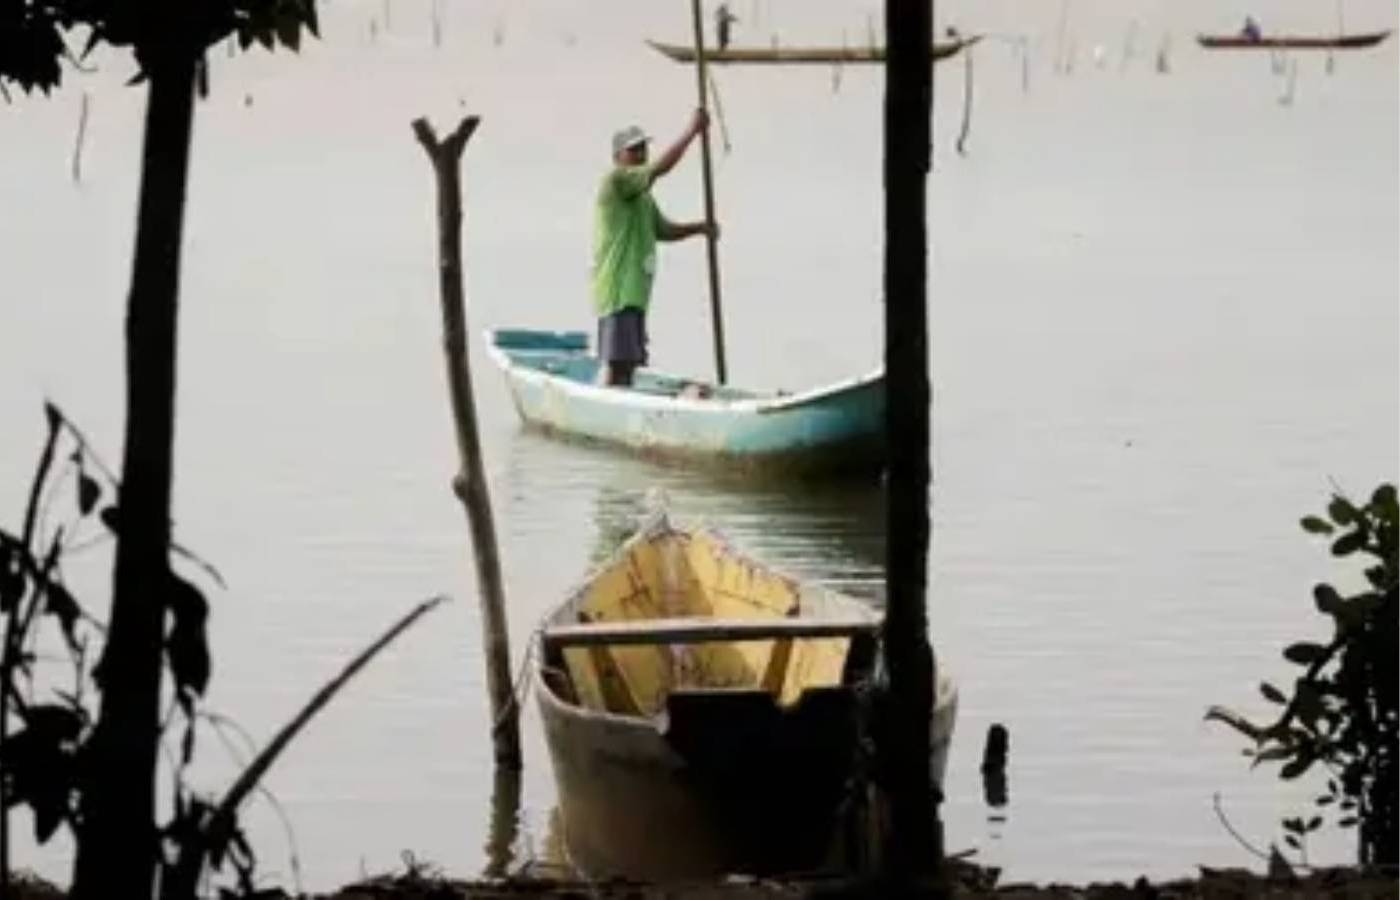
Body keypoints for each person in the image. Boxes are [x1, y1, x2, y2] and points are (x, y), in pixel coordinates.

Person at [592, 110, 717, 388]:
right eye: (633, 150)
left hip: (636, 294)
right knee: (618, 363)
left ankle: (626, 404)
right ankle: (612, 407)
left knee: (632, 364)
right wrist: (691, 132)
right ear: (618, 157)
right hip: (618, 293)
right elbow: (660, 168)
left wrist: (700, 228)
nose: (640, 155)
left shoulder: (644, 198)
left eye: (643, 149)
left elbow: (663, 230)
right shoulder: (616, 181)